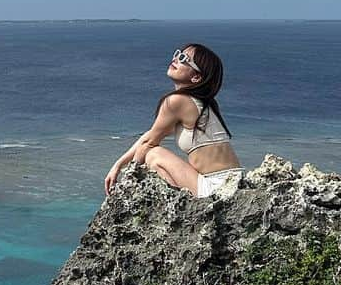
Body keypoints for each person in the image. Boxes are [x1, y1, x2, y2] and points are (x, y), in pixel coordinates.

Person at [104, 42, 242, 198]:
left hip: (216, 187)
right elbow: (149, 136)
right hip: (233, 183)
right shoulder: (200, 103)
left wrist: (129, 179)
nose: (176, 59)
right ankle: (180, 204)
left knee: (154, 155)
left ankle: (182, 207)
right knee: (154, 159)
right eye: (178, 54)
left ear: (196, 77)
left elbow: (149, 144)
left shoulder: (177, 101)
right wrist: (118, 165)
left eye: (184, 59)